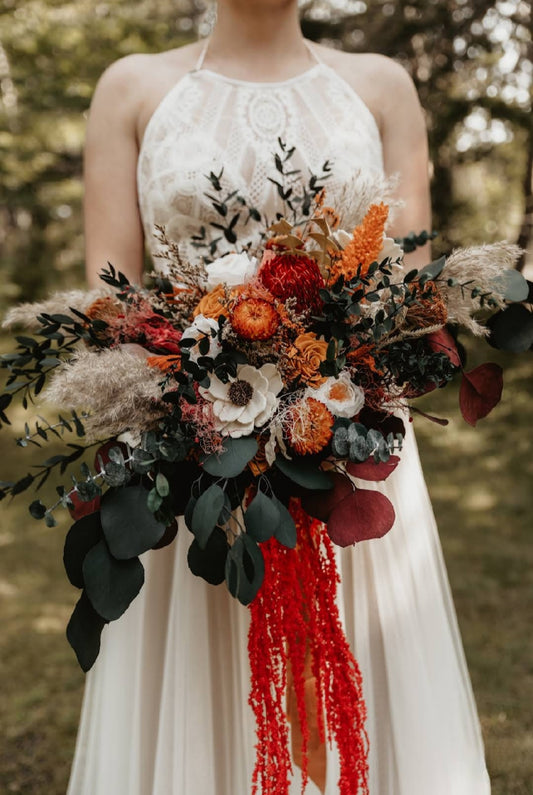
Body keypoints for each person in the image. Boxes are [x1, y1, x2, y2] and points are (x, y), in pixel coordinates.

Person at [69, 1, 491, 793]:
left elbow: (405, 296)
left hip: (350, 457)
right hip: (193, 457)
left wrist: (322, 399)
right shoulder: (131, 88)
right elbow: (109, 305)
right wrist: (202, 399)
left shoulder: (381, 87)